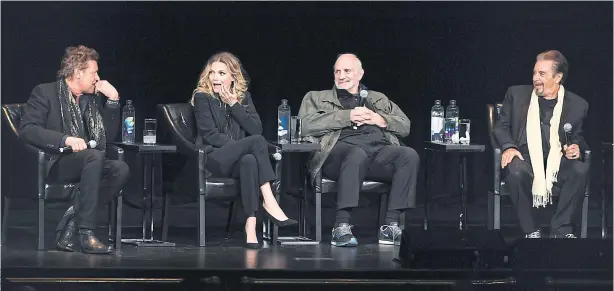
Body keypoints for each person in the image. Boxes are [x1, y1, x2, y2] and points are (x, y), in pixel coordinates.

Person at [298, 53, 419, 247]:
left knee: (408, 155)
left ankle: (390, 226)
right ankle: (341, 226)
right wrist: (348, 116)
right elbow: (304, 125)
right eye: (337, 71)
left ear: (360, 74)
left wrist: (380, 120)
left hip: (377, 154)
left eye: (347, 71)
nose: (341, 75)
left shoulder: (377, 99)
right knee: (356, 153)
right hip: (335, 155)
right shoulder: (317, 97)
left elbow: (405, 126)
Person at [19, 45, 130, 254]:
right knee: (94, 157)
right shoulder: (45, 92)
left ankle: (70, 226)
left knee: (120, 168)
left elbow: (108, 136)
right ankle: (86, 233)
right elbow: (28, 130)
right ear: (78, 73)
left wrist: (113, 100)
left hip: (88, 161)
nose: (98, 78)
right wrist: (65, 139)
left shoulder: (92, 98)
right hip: (56, 162)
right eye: (94, 72)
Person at [190, 52, 297, 249]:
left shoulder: (243, 97)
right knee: (255, 143)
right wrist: (240, 145)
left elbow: (256, 127)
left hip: (237, 161)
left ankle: (251, 224)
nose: (215, 77)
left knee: (249, 160)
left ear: (233, 77)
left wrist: (234, 105)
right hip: (213, 159)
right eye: (212, 72)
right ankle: (269, 200)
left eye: (221, 73)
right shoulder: (202, 97)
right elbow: (210, 135)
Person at [494, 50, 589, 239]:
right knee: (515, 172)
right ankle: (531, 230)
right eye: (535, 73)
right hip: (524, 157)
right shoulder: (516, 94)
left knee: (579, 170)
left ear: (558, 77)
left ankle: (561, 229)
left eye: (542, 74)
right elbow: (500, 127)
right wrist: (509, 147)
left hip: (557, 160)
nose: (536, 78)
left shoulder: (578, 104)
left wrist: (575, 148)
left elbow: (577, 136)